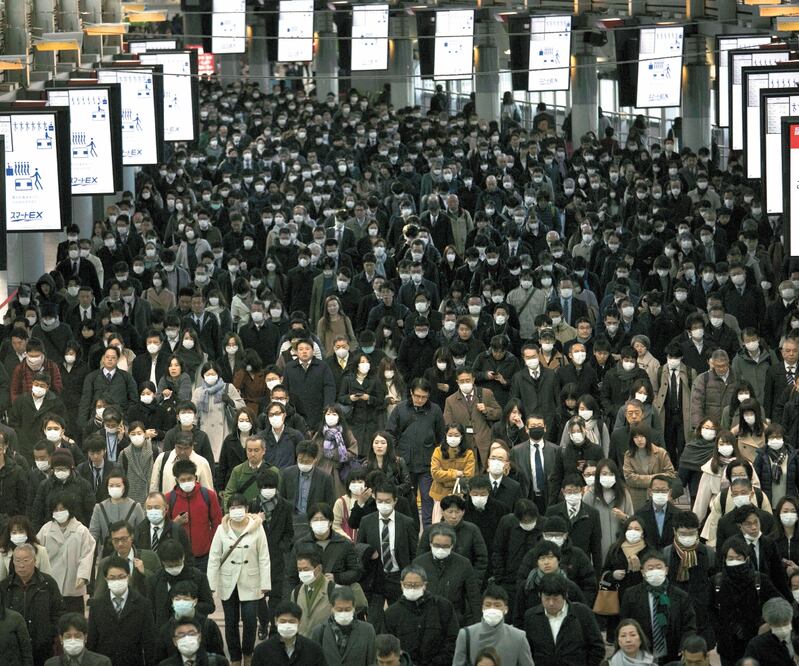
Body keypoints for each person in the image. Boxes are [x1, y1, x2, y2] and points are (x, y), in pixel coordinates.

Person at [206, 493, 271, 666]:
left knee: (250, 620)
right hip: (228, 581)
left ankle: (248, 653)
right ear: (228, 510)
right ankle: (235, 657)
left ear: (247, 509)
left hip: (251, 580)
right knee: (230, 621)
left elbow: (264, 557)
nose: (236, 511)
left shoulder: (257, 527)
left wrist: (265, 583)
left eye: (239, 507)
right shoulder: (222, 529)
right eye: (232, 507)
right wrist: (211, 585)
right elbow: (214, 557)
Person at [355, 481, 417, 631]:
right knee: (374, 622)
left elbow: (414, 552)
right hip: (375, 579)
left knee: (400, 621)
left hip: (398, 577)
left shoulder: (406, 522)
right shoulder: (366, 521)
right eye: (380, 501)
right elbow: (359, 548)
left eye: (387, 501)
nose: (383, 504)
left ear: (395, 501)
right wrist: (369, 552)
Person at [386, 377, 446, 527]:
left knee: (428, 499)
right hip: (404, 464)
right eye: (417, 396)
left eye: (424, 397)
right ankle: (409, 532)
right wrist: (396, 456)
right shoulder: (400, 409)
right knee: (406, 501)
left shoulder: (435, 410)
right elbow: (390, 434)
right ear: (411, 393)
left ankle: (427, 533)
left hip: (427, 464)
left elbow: (441, 437)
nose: (420, 400)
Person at [619, 550, 697, 664]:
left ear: (666, 570)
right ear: (642, 572)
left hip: (673, 655)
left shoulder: (680, 596)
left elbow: (689, 626)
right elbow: (624, 624)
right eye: (650, 568)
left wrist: (684, 646)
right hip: (641, 654)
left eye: (659, 567)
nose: (655, 571)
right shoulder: (631, 595)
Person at [0, 542, 64, 664]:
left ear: (35, 561)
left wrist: (51, 634)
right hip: (14, 648)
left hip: (43, 647)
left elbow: (59, 612)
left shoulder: (48, 583)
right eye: (17, 561)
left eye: (25, 560)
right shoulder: (5, 586)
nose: (21, 565)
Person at [523, 572, 605, 666]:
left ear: (565, 595)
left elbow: (597, 647)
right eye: (546, 598)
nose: (551, 603)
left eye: (555, 598)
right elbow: (528, 650)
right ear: (539, 595)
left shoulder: (582, 613)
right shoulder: (531, 616)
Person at [383, 565, 459, 666]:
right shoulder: (392, 613)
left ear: (425, 585)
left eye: (416, 585)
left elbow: (452, 639)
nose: (412, 588)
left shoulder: (443, 606)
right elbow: (389, 646)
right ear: (401, 585)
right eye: (408, 585)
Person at [86, 556, 155, 666]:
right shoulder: (96, 605)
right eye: (112, 578)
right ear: (106, 579)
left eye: (121, 577)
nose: (117, 581)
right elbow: (92, 642)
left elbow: (149, 643)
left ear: (128, 576)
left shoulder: (143, 605)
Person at [412, 523, 481, 627]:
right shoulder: (419, 563)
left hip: (455, 619)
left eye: (445, 546)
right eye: (437, 545)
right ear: (430, 543)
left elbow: (474, 597)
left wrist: (478, 626)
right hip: (426, 620)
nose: (440, 549)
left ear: (452, 545)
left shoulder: (464, 564)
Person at [662, 510, 715, 646]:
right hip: (675, 614)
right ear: (675, 531)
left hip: (702, 615)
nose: (688, 537)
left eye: (691, 533)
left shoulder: (707, 553)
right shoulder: (667, 554)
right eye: (683, 534)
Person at [36, 494, 95, 612]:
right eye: (56, 510)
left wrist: (83, 575)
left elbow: (87, 555)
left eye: (62, 509)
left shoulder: (81, 531)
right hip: (50, 585)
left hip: (73, 585)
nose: (59, 512)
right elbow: (36, 553)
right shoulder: (46, 530)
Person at [452, 585, 535, 666]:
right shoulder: (466, 635)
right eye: (488, 605)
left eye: (497, 605)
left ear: (506, 609)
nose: (492, 608)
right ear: (482, 608)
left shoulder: (518, 637)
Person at [164, 459, 223, 572]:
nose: (187, 482)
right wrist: (175, 523)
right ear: (177, 480)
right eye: (183, 480)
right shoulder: (169, 498)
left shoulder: (208, 495)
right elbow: (163, 528)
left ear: (195, 477)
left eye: (189, 479)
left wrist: (213, 545)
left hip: (205, 555)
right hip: (179, 557)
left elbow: (217, 523)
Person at [192, 362, 246, 468]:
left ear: (218, 375)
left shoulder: (228, 388)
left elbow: (242, 406)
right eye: (208, 374)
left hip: (224, 430)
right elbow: (193, 412)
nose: (210, 377)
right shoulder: (199, 392)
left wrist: (230, 401)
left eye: (213, 374)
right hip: (205, 431)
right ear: (203, 376)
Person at [93, 520, 161, 598]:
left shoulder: (149, 557)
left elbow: (160, 585)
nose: (120, 544)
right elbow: (99, 594)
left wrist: (144, 572)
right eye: (116, 540)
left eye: (124, 539)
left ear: (132, 537)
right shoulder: (105, 563)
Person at [310, 586, 376, 665]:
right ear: (332, 608)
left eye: (348, 609)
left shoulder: (367, 630)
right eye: (339, 610)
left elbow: (372, 661)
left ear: (353, 607)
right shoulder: (319, 631)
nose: (344, 613)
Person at [583, 458, 634, 559]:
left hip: (619, 548)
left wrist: (624, 517)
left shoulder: (624, 494)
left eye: (611, 474)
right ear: (598, 475)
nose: (607, 477)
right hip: (597, 549)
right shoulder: (589, 496)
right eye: (604, 474)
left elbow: (633, 521)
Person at [251, 600, 326, 666]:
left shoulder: (314, 650)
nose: (287, 625)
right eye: (283, 621)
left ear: (299, 622)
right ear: (276, 621)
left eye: (291, 622)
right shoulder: (262, 651)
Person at [279, 440, 336, 526]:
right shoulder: (287, 474)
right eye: (301, 460)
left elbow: (330, 504)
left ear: (315, 460)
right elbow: (281, 499)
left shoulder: (326, 478)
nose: (304, 463)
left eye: (308, 461)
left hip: (315, 520)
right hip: (292, 519)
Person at [622, 425, 677, 509]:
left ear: (648, 437)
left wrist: (642, 479)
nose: (639, 440)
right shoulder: (629, 455)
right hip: (637, 497)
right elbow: (629, 478)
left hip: (659, 495)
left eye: (642, 436)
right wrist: (655, 478)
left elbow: (670, 474)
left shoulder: (661, 453)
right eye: (636, 437)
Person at [133, 491, 194, 565]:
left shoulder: (177, 531)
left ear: (166, 509)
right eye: (149, 508)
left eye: (157, 507)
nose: (153, 511)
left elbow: (188, 560)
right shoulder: (138, 530)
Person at [743, 597, 798, 665]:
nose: (782, 628)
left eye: (785, 623)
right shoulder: (757, 646)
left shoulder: (796, 637)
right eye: (777, 625)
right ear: (768, 623)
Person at [156, 616, 230, 666]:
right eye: (181, 635)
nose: (187, 638)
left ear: (199, 637)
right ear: (175, 641)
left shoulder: (218, 662)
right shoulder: (165, 665)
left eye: (191, 634)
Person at [45, 612, 111, 666]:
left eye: (77, 636)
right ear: (61, 638)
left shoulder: (102, 663)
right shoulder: (51, 664)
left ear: (85, 637)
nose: (73, 640)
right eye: (68, 636)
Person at [0, 515, 52, 581]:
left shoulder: (41, 551)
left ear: (28, 532)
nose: (17, 535)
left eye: (21, 531)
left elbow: (47, 577)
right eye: (14, 532)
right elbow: (1, 578)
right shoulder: (4, 552)